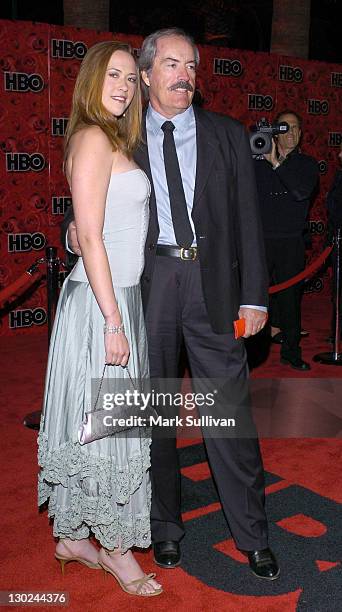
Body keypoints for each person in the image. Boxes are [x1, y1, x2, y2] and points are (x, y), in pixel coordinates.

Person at [63, 28, 279, 581]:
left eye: (192, 66)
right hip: (149, 284)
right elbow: (98, 206)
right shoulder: (120, 136)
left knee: (228, 413)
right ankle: (164, 529)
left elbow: (250, 223)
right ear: (147, 75)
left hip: (215, 287)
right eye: (172, 64)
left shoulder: (227, 134)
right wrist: (75, 231)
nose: (185, 75)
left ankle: (253, 532)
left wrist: (255, 295)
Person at [38, 41, 162, 597]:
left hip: (116, 297)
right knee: (109, 424)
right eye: (112, 75)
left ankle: (74, 540)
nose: (123, 86)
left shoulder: (113, 139)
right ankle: (115, 550)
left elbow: (87, 222)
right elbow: (88, 235)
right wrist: (114, 321)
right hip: (100, 304)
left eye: (131, 78)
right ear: (91, 79)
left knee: (100, 422)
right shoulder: (92, 136)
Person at [255, 110, 318, 370]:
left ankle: (291, 352)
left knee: (291, 301)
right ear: (274, 133)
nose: (290, 133)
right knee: (254, 300)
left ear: (301, 134)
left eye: (295, 128)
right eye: (284, 128)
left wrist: (276, 164)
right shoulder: (258, 162)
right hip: (260, 241)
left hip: (291, 243)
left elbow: (301, 192)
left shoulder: (307, 165)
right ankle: (249, 354)